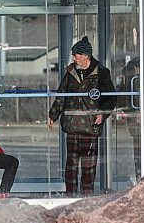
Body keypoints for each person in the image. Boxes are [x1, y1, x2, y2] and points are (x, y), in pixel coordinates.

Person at [48, 36, 116, 196]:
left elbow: (111, 97)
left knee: (88, 165)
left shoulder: (102, 74)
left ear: (85, 56)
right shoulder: (70, 73)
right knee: (71, 164)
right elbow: (61, 96)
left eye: (76, 55)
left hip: (90, 125)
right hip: (71, 124)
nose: (74, 58)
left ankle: (87, 195)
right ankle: (70, 195)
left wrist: (103, 114)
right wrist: (53, 115)